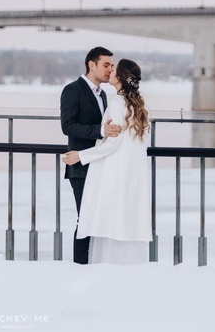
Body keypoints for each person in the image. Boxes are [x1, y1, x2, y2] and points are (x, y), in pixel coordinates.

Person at [62, 58, 152, 265]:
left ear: (120, 77)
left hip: (115, 171)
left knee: (109, 219)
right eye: (108, 66)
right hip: (132, 173)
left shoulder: (116, 104)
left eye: (114, 68)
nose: (110, 70)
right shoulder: (139, 105)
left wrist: (80, 155)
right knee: (124, 219)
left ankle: (103, 266)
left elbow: (112, 144)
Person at [60, 46, 122, 265]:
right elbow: (67, 126)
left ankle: (96, 263)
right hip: (80, 167)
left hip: (99, 165)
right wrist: (101, 130)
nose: (110, 69)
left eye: (111, 65)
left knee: (98, 218)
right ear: (91, 65)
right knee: (84, 219)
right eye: (106, 65)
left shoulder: (103, 94)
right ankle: (80, 266)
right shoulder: (72, 90)